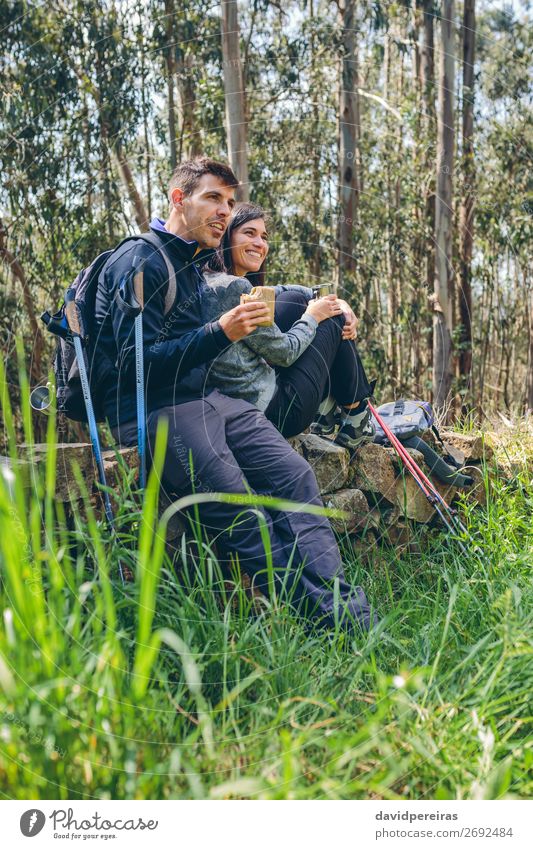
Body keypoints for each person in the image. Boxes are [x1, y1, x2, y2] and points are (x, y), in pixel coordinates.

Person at [94, 157, 376, 632]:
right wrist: (219, 333)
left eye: (228, 202)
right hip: (156, 409)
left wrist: (312, 300)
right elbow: (131, 366)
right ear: (179, 199)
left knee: (295, 477)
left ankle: (350, 610)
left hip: (207, 400)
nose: (224, 212)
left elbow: (254, 299)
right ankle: (326, 622)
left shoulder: (190, 263)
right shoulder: (140, 261)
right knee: (240, 512)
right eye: (213, 199)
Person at [202, 202, 376, 447]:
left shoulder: (213, 281)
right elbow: (285, 353)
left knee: (295, 299)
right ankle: (356, 414)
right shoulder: (235, 288)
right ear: (226, 237)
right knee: (332, 317)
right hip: (278, 413)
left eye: (264, 237)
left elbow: (283, 290)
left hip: (241, 405)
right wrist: (315, 316)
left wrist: (338, 300)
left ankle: (326, 411)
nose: (260, 244)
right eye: (249, 233)